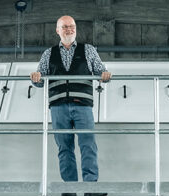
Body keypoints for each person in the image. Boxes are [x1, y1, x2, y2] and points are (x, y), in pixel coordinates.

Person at [30, 15, 112, 182]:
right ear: (57, 30)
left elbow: (101, 72)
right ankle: (70, 188)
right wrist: (36, 77)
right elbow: (40, 82)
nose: (69, 29)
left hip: (82, 106)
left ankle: (90, 187)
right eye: (65, 26)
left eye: (72, 26)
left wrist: (105, 75)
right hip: (58, 107)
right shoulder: (48, 54)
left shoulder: (88, 50)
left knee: (88, 145)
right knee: (64, 147)